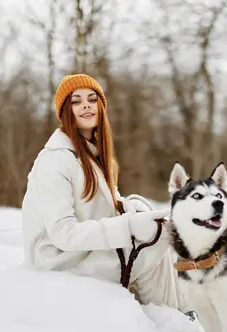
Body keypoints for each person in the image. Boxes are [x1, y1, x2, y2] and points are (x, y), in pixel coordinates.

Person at [21, 73, 188, 311]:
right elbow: (62, 233)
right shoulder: (55, 159)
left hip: (85, 252)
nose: (86, 105)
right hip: (61, 262)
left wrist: (131, 212)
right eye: (76, 101)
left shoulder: (93, 155)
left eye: (92, 99)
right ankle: (166, 315)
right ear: (65, 112)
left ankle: (173, 311)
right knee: (156, 234)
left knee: (154, 222)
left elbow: (107, 207)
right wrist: (128, 227)